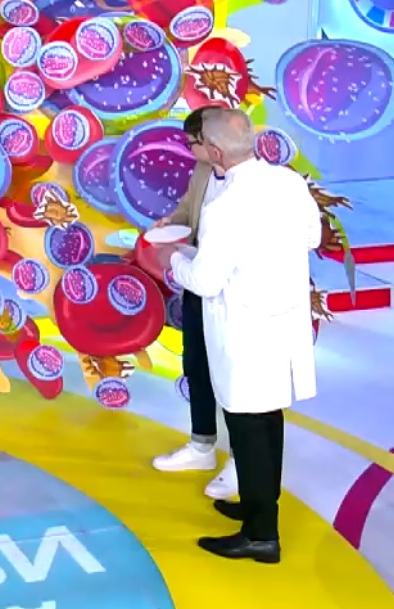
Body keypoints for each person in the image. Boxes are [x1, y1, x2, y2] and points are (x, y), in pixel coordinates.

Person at [157, 109, 321, 563]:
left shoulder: (225, 206)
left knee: (248, 426)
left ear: (214, 151)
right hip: (281, 319)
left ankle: (261, 535)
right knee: (268, 420)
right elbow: (311, 236)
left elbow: (205, 281)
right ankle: (257, 504)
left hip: (243, 328)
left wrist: (173, 258)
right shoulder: (289, 182)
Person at [149, 105, 238, 501]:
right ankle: (202, 445)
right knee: (197, 366)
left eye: (193, 143)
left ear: (213, 143)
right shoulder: (203, 171)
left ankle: (241, 458)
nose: (190, 150)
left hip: (235, 296)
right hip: (198, 283)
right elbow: (189, 209)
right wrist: (170, 223)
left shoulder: (253, 183)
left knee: (234, 379)